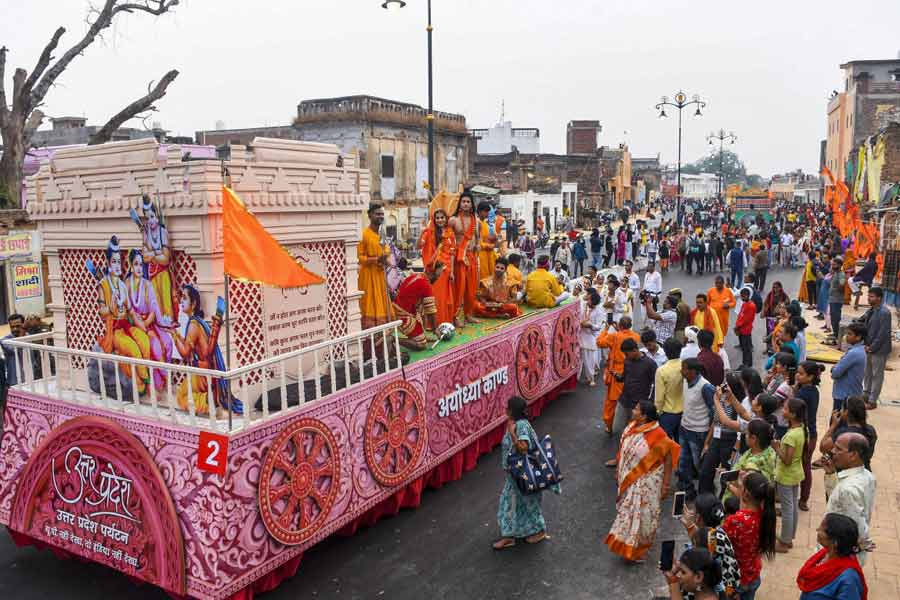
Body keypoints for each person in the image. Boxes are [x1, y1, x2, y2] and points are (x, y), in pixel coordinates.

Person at [605, 401, 678, 562]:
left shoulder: (658, 434)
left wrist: (665, 485)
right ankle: (627, 547)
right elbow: (623, 450)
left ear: (644, 416)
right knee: (627, 516)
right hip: (630, 480)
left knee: (643, 518)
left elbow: (667, 460)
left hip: (648, 484)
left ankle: (637, 551)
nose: (633, 410)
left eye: (636, 409)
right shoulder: (631, 427)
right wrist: (619, 469)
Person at [493, 396, 556, 549]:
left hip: (524, 475)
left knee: (528, 504)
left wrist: (512, 434)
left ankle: (539, 531)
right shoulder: (516, 423)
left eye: (507, 406)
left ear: (512, 410)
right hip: (515, 476)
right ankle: (510, 536)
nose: (505, 409)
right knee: (510, 504)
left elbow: (523, 447)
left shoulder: (520, 426)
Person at [171, 284, 240, 417]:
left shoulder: (193, 325)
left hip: (202, 373)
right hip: (206, 370)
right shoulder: (197, 322)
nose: (181, 301)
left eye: (184, 298)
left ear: (194, 303)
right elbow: (201, 348)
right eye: (181, 298)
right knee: (184, 393)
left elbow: (185, 353)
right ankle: (210, 399)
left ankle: (207, 402)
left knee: (180, 397)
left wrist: (173, 335)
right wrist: (175, 333)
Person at [822, 432, 876, 568]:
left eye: (839, 449)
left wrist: (864, 543)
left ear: (853, 455)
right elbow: (839, 500)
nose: (832, 451)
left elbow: (857, 521)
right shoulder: (868, 476)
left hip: (839, 554)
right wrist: (830, 474)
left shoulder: (848, 489)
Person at [722, 471, 776, 599]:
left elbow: (719, 541)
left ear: (746, 493)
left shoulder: (735, 521)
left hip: (736, 579)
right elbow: (745, 511)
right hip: (754, 575)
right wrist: (742, 487)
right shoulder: (766, 515)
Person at [680, 494, 742, 599]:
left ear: (698, 518)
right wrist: (691, 527)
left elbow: (696, 560)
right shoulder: (718, 533)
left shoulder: (709, 540)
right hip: (728, 588)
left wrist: (691, 528)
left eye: (694, 511)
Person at [797, 513, 868, 600]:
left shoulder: (848, 580)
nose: (817, 529)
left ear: (834, 543)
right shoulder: (825, 554)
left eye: (822, 529)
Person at [676, 358, 716, 494]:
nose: (681, 371)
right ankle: (688, 490)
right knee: (683, 462)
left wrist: (708, 440)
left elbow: (715, 413)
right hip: (684, 428)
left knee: (699, 465)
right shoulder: (686, 382)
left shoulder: (706, 387)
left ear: (693, 371)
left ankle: (707, 493)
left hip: (698, 433)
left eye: (684, 368)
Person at [772, 397, 807, 553]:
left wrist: (776, 447)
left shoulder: (792, 436)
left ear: (792, 415)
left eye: (785, 409)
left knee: (787, 509)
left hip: (787, 475)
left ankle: (785, 542)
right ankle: (789, 537)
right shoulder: (801, 429)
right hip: (795, 473)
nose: (783, 411)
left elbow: (786, 460)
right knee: (791, 507)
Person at [596, 316, 640, 435]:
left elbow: (599, 342)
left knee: (611, 401)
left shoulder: (614, 336)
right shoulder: (636, 336)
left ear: (619, 325)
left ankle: (609, 426)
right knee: (633, 401)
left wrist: (605, 329)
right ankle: (632, 427)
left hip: (617, 371)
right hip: (632, 370)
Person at [139, 196, 176, 322]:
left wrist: (153, 255)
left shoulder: (162, 232)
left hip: (163, 273)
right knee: (156, 307)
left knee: (167, 305)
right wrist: (154, 255)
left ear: (156, 216)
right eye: (147, 218)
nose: (150, 221)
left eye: (152, 217)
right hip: (152, 275)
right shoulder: (146, 233)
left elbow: (165, 259)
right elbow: (144, 257)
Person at [418, 208, 457, 326]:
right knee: (434, 295)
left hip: (446, 269)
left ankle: (444, 321)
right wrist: (422, 232)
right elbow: (419, 245)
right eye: (437, 218)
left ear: (446, 219)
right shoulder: (429, 232)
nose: (440, 220)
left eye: (442, 217)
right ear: (434, 219)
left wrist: (452, 272)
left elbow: (452, 253)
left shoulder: (450, 233)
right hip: (434, 270)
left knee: (444, 297)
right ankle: (433, 323)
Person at [724, 419, 777, 503]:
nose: (745, 435)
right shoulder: (770, 450)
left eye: (747, 433)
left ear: (754, 438)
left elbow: (745, 496)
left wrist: (727, 484)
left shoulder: (751, 466)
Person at [795, 361, 824, 512]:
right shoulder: (812, 390)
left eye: (800, 374)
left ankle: (803, 499)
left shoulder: (803, 393)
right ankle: (802, 498)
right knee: (804, 465)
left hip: (805, 435)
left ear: (811, 376)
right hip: (810, 433)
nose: (797, 376)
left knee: (804, 466)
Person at [392, 263, 441, 350]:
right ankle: (393, 339)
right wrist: (435, 329)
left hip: (399, 309)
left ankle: (419, 336)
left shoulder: (418, 275)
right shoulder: (425, 284)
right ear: (430, 272)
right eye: (437, 275)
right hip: (402, 315)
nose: (438, 278)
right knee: (421, 344)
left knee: (422, 308)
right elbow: (431, 311)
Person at [449, 191, 480, 324]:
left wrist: (478, 245)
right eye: (464, 201)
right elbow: (447, 240)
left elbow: (478, 238)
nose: (466, 204)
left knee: (471, 287)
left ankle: (468, 314)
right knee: (459, 287)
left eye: (468, 202)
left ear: (472, 204)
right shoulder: (453, 220)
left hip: (471, 256)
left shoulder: (476, 221)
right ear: (460, 204)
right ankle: (455, 317)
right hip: (458, 257)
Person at [358, 204, 391, 329]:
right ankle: (371, 335)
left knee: (382, 303)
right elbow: (359, 258)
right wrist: (376, 259)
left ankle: (383, 334)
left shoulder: (382, 234)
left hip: (380, 274)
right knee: (370, 303)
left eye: (382, 214)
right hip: (368, 275)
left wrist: (387, 260)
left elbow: (387, 252)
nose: (380, 216)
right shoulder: (364, 234)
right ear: (370, 215)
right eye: (377, 214)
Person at [860, 287, 892, 409]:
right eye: (869, 296)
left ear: (879, 298)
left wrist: (872, 347)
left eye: (871, 296)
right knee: (867, 373)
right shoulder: (871, 310)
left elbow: (883, 334)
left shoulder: (884, 313)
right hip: (868, 347)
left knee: (877, 375)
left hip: (878, 349)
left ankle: (873, 400)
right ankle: (866, 394)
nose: (869, 298)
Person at [829, 322, 866, 412]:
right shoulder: (859, 350)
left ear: (858, 337)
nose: (846, 336)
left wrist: (834, 368)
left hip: (844, 395)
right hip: (851, 393)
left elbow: (835, 373)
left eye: (850, 334)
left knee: (838, 422)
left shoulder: (854, 353)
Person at [656, 337, 684, 442]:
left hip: (667, 413)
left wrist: (657, 412)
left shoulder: (661, 371)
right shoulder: (685, 366)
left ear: (665, 352)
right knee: (680, 444)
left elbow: (659, 398)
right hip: (683, 412)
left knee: (666, 445)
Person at [579, 287, 605, 386]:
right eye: (588, 299)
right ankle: (576, 377)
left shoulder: (599, 311)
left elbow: (598, 326)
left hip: (589, 335)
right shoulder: (583, 305)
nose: (588, 301)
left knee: (589, 359)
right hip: (580, 333)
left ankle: (591, 378)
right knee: (579, 358)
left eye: (590, 300)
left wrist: (590, 325)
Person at [476, 202, 500, 280]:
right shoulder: (477, 223)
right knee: (483, 278)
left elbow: (486, 238)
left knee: (490, 277)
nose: (487, 214)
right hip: (481, 254)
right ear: (479, 211)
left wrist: (493, 239)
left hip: (489, 254)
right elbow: (478, 243)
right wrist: (491, 246)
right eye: (485, 211)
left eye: (488, 212)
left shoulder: (485, 223)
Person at [826, 257, 847, 344]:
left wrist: (837, 288)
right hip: (832, 298)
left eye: (834, 264)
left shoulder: (841, 274)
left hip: (837, 299)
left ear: (839, 265)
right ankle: (835, 333)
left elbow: (842, 284)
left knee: (836, 318)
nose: (832, 266)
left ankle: (838, 335)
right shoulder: (835, 273)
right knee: (833, 317)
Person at [734, 288, 756, 369]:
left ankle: (747, 364)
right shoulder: (745, 304)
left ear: (746, 295)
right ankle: (745, 363)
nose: (741, 298)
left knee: (746, 348)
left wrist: (737, 326)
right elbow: (740, 315)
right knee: (744, 347)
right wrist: (737, 326)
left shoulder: (751, 306)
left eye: (742, 296)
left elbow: (746, 319)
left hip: (745, 330)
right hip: (741, 329)